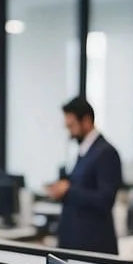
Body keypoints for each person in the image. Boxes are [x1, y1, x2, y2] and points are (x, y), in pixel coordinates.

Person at [47, 96, 122, 254]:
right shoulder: (86, 151)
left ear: (86, 121)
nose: (69, 132)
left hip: (92, 247)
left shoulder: (105, 152)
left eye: (71, 126)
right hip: (76, 244)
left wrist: (68, 190)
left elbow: (105, 199)